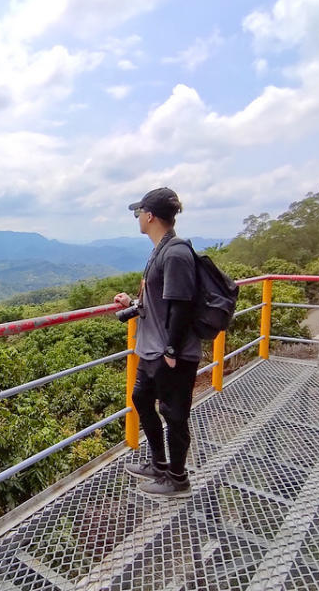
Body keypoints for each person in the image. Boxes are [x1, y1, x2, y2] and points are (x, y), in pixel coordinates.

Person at [113, 187, 200, 498]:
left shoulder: (175, 253)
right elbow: (162, 299)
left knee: (174, 414)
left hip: (169, 353)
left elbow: (182, 305)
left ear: (150, 216)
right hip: (152, 351)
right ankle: (158, 463)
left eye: (139, 213)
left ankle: (178, 479)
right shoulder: (160, 250)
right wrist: (134, 301)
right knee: (140, 399)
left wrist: (173, 350)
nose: (138, 217)